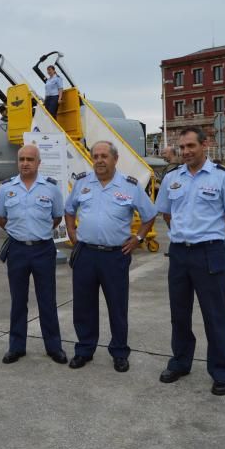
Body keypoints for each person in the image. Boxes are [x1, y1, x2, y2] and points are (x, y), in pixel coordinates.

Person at [155, 126, 225, 396]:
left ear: (205, 145)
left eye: (190, 146)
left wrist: (212, 235)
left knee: (215, 315)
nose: (185, 152)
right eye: (182, 147)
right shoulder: (173, 177)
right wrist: (184, 234)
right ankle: (181, 362)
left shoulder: (223, 177)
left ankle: (222, 370)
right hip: (180, 254)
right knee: (179, 314)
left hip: (209, 252)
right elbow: (167, 214)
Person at [64, 141, 156, 372]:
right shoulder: (82, 182)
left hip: (115, 256)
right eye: (95, 156)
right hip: (85, 254)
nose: (99, 160)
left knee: (117, 306)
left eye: (104, 156)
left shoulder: (130, 186)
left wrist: (139, 239)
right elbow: (69, 210)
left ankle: (119, 352)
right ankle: (84, 349)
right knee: (83, 306)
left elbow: (149, 215)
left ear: (115, 159)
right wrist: (73, 233)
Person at [0, 144, 67, 364]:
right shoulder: (6, 188)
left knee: (47, 300)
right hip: (17, 249)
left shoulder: (51, 188)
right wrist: (18, 232)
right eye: (21, 159)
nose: (25, 163)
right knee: (18, 300)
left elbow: (57, 218)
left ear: (38, 163)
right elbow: (0, 217)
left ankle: (54, 347)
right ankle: (16, 347)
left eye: (30, 159)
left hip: (43, 249)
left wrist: (37, 232)